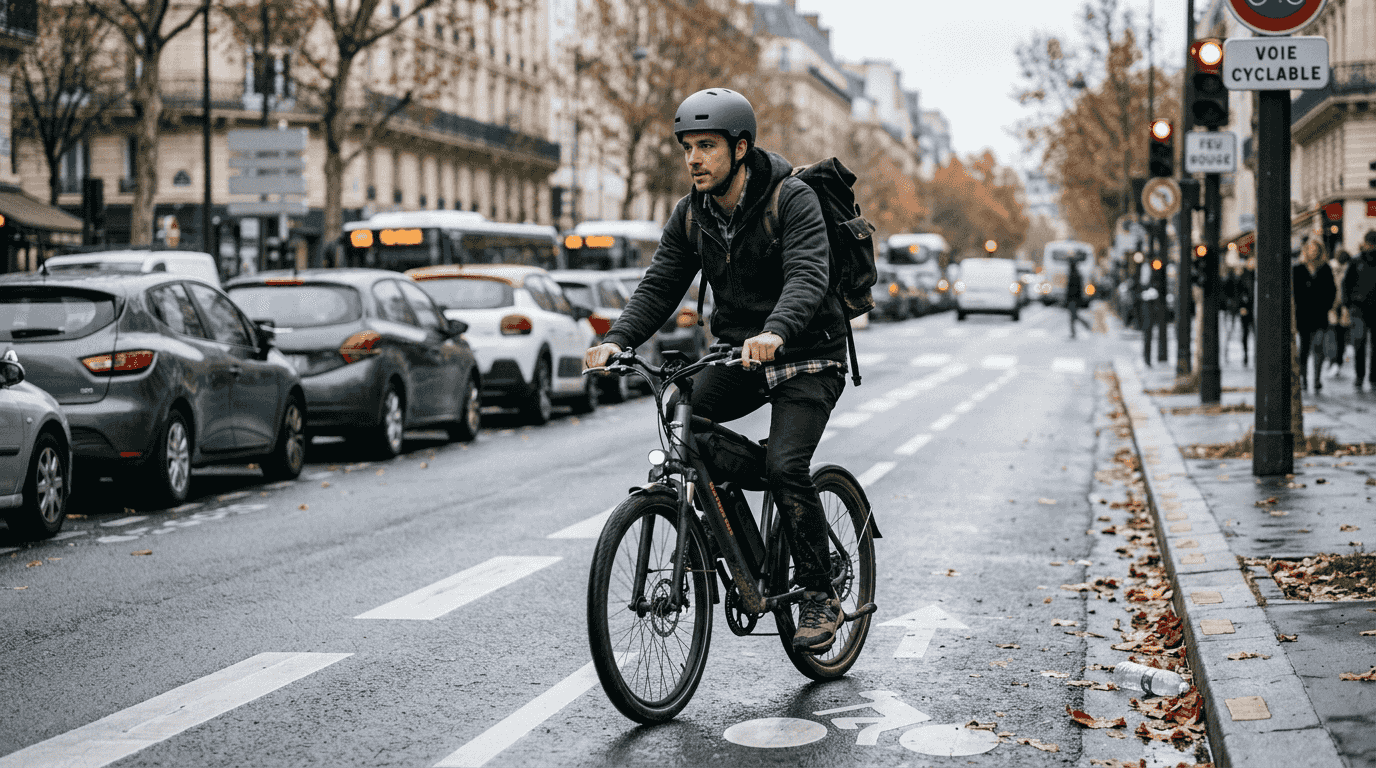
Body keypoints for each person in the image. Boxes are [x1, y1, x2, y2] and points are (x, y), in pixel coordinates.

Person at [584, 88, 850, 653]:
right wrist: (617, 341)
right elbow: (660, 284)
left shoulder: (792, 199)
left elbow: (809, 274)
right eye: (687, 147)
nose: (694, 159)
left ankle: (820, 592)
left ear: (742, 148)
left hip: (808, 354)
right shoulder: (692, 214)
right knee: (688, 420)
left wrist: (777, 330)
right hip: (740, 354)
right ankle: (749, 549)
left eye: (707, 146)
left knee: (785, 465)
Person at [1293, 239, 1336, 392]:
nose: (1313, 252)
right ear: (1305, 251)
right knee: (1304, 348)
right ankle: (1304, 378)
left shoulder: (1325, 268)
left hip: (1320, 314)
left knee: (1318, 346)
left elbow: (1332, 290)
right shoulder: (1298, 269)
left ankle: (1317, 378)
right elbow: (1294, 292)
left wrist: (1327, 306)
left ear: (1320, 251)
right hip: (1303, 314)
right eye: (1310, 249)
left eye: (1315, 249)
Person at [1343, 230, 1376, 390]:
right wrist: (1348, 304)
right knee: (1360, 341)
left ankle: (1368, 376)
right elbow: (1347, 284)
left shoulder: (1357, 260)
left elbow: (1346, 284)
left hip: (1366, 307)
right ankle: (1361, 376)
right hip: (1359, 308)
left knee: (1365, 343)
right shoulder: (1356, 261)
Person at [1330, 249, 1352, 377]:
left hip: (1339, 305)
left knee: (1338, 335)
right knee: (1339, 336)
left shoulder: (1333, 267)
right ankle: (1336, 361)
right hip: (1338, 305)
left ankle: (1335, 361)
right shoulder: (1340, 269)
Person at [1065, 259, 1091, 338]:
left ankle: (1084, 325)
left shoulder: (1072, 275)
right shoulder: (1078, 275)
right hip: (1076, 299)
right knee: (1073, 316)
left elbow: (1070, 290)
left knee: (1073, 316)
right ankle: (1075, 331)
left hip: (1072, 299)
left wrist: (1067, 299)